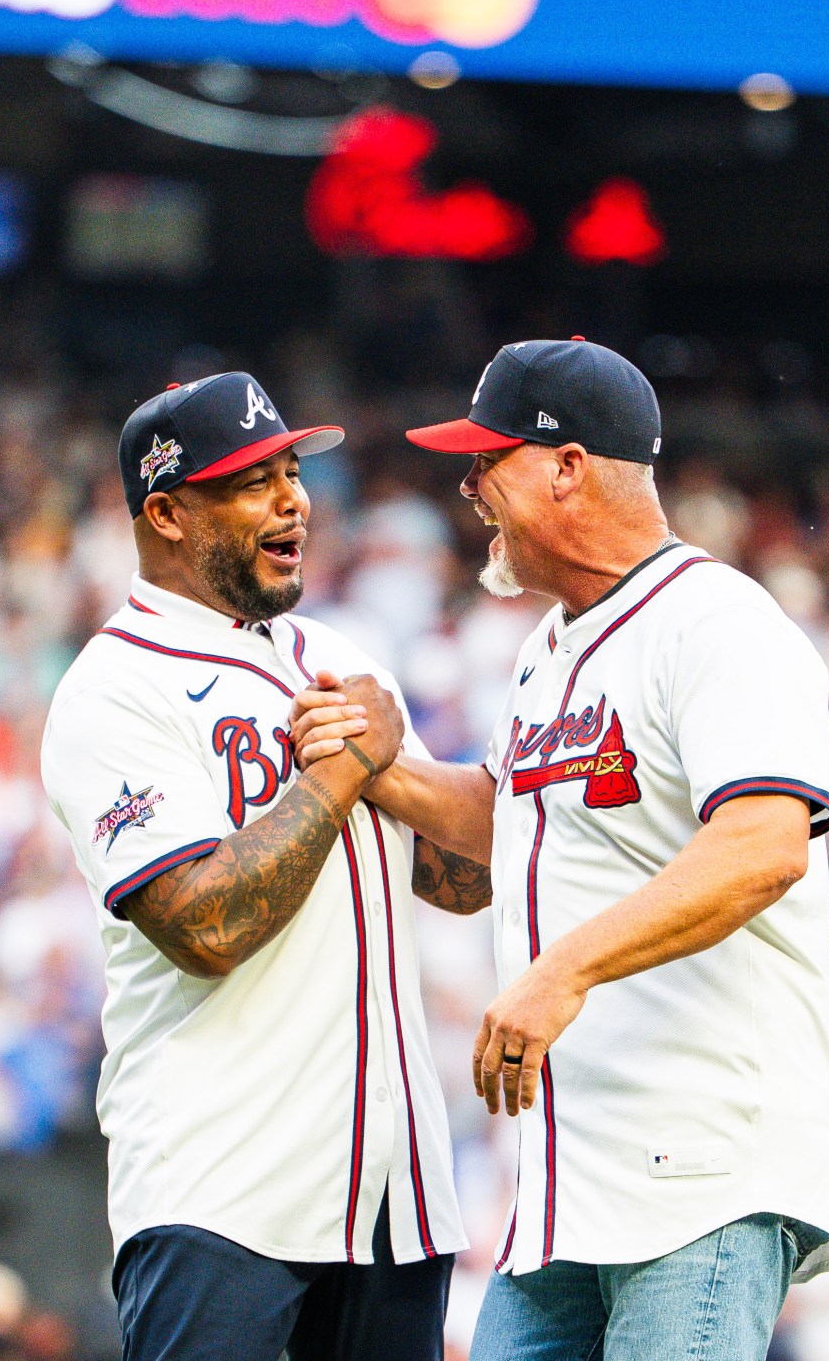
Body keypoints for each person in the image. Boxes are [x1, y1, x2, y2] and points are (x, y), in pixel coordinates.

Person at [295, 338, 829, 1360]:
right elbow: (503, 823)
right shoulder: (546, 651)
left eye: (486, 460)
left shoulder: (717, 622)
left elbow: (765, 845)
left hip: (704, 1161)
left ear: (566, 466)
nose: (468, 487)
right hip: (565, 1185)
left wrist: (567, 967)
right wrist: (386, 765)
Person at [36, 372, 492, 1361]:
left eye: (292, 471)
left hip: (392, 1191)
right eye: (251, 481)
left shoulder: (339, 655)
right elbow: (203, 927)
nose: (294, 499)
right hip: (222, 1186)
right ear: (166, 512)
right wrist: (339, 779)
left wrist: (397, 769)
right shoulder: (115, 688)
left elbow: (469, 881)